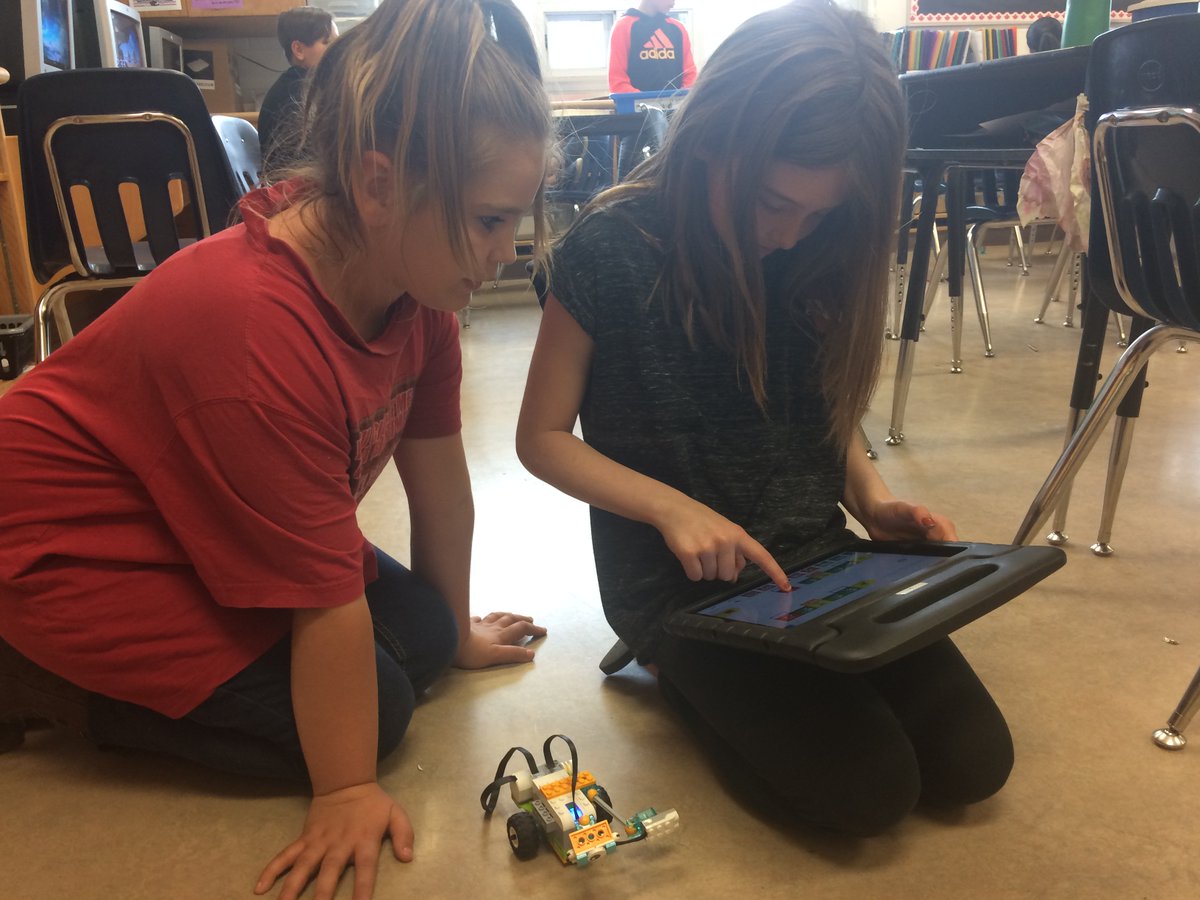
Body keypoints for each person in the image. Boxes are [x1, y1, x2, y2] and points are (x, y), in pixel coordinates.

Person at [0, 0, 552, 897]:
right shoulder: (258, 333)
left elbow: (443, 492)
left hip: (189, 512)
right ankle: (31, 675)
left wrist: (454, 632)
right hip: (67, 543)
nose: (506, 251)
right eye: (490, 221)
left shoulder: (420, 289)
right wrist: (346, 788)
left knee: (422, 633)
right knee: (376, 715)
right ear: (378, 185)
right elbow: (324, 605)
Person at [518, 0, 1013, 837]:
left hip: (817, 559)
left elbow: (819, 407)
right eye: (772, 202)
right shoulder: (607, 249)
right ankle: (674, 672)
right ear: (712, 140)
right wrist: (671, 508)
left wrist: (873, 500)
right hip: (680, 588)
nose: (788, 234)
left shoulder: (819, 246)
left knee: (973, 763)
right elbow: (539, 439)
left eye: (817, 213)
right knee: (869, 793)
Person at [257, 5, 337, 180]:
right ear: (299, 50)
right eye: (328, 42)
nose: (338, 50)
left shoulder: (297, 85)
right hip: (296, 188)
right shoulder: (296, 94)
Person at [608, 0, 697, 94]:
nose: (673, 4)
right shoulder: (623, 26)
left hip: (677, 102)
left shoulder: (677, 28)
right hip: (636, 102)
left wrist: (679, 97)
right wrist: (645, 100)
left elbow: (690, 75)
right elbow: (618, 82)